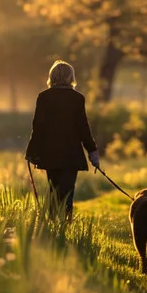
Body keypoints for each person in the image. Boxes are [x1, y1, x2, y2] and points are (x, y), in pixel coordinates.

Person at [25, 60, 99, 220]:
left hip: (50, 153)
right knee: (67, 192)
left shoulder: (44, 97)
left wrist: (31, 152)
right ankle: (65, 225)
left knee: (54, 190)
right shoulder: (77, 98)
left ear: (52, 76)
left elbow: (38, 127)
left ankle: (53, 224)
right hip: (71, 154)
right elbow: (83, 128)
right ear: (71, 77)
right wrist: (92, 151)